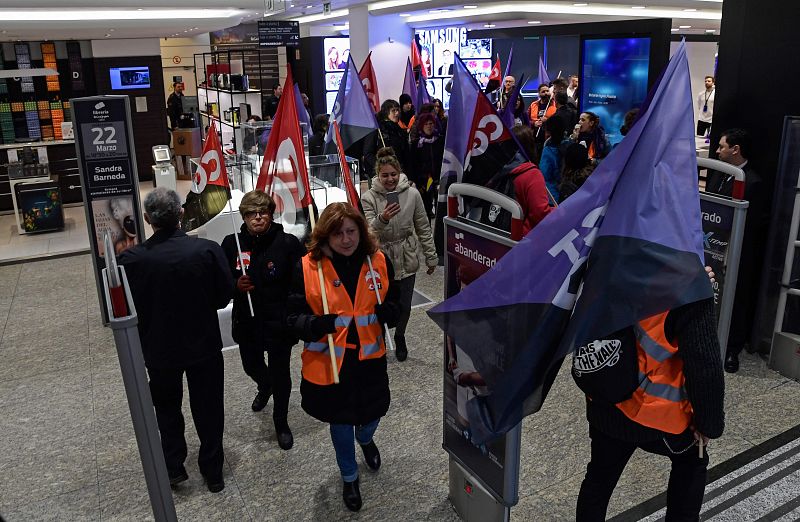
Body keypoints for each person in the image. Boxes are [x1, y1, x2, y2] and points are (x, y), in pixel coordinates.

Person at [287, 203, 401, 512]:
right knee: (340, 424)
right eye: (338, 233)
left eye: (351, 231)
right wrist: (312, 325)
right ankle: (349, 476)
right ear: (325, 234)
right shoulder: (307, 267)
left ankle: (365, 438)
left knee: (373, 414)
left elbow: (393, 299)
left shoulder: (377, 260)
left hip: (370, 358)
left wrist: (391, 312)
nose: (346, 239)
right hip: (331, 364)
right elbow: (291, 316)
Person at [118, 187, 232, 493]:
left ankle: (173, 466)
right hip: (204, 345)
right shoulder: (207, 251)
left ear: (146, 218)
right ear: (181, 213)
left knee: (167, 408)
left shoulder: (130, 260)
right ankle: (213, 471)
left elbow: (124, 309)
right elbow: (223, 298)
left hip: (159, 349)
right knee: (209, 409)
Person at [575, 295, 725, 521]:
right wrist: (709, 424)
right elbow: (704, 365)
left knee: (599, 478)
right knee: (692, 462)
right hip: (656, 413)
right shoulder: (687, 283)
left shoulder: (605, 263)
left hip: (606, 398)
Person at [221, 190, 305, 450]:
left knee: (281, 375)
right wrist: (235, 284)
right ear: (243, 217)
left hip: (278, 321)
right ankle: (263, 384)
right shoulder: (231, 243)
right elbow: (220, 280)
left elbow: (301, 282)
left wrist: (293, 314)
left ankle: (281, 422)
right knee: (251, 365)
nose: (257, 218)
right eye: (251, 214)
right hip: (247, 321)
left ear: (270, 214)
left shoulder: (287, 243)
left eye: (262, 212)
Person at [362, 147, 438, 361]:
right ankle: (381, 341)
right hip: (381, 259)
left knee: (405, 306)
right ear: (378, 175)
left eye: (393, 174)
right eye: (385, 175)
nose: (390, 179)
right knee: (381, 305)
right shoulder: (369, 197)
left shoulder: (412, 194)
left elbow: (423, 226)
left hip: (407, 255)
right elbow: (368, 230)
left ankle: (401, 335)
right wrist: (382, 218)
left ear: (399, 173)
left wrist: (431, 256)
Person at [706, 128, 767, 372]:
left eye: (722, 146)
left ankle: (732, 348)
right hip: (712, 249)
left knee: (737, 298)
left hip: (739, 253)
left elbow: (756, 223)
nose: (718, 150)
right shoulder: (718, 176)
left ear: (735, 149)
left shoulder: (753, 182)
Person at [481, 125, 552, 235]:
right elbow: (540, 214)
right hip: (520, 240)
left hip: (492, 233)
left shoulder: (496, 170)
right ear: (530, 145)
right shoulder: (532, 175)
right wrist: (559, 211)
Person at [409, 112, 444, 218]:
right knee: (425, 208)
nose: (429, 126)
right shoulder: (417, 144)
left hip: (438, 179)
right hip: (424, 181)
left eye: (431, 123)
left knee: (441, 207)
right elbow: (413, 164)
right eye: (426, 124)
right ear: (421, 126)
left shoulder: (440, 140)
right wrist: (415, 180)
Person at [364, 99, 410, 176]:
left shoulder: (400, 131)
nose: (397, 113)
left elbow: (406, 155)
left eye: (398, 110)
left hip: (399, 174)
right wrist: (380, 167)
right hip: (381, 175)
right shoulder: (377, 130)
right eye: (393, 111)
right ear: (386, 112)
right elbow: (368, 153)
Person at [539, 117, 568, 204]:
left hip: (551, 195)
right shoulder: (569, 144)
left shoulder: (548, 150)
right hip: (567, 193)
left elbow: (545, 174)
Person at [529, 84, 557, 159]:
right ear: (539, 93)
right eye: (543, 91)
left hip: (548, 138)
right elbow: (527, 120)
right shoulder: (533, 105)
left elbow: (558, 121)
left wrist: (548, 120)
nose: (546, 93)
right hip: (534, 137)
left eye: (547, 91)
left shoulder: (555, 105)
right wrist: (534, 123)